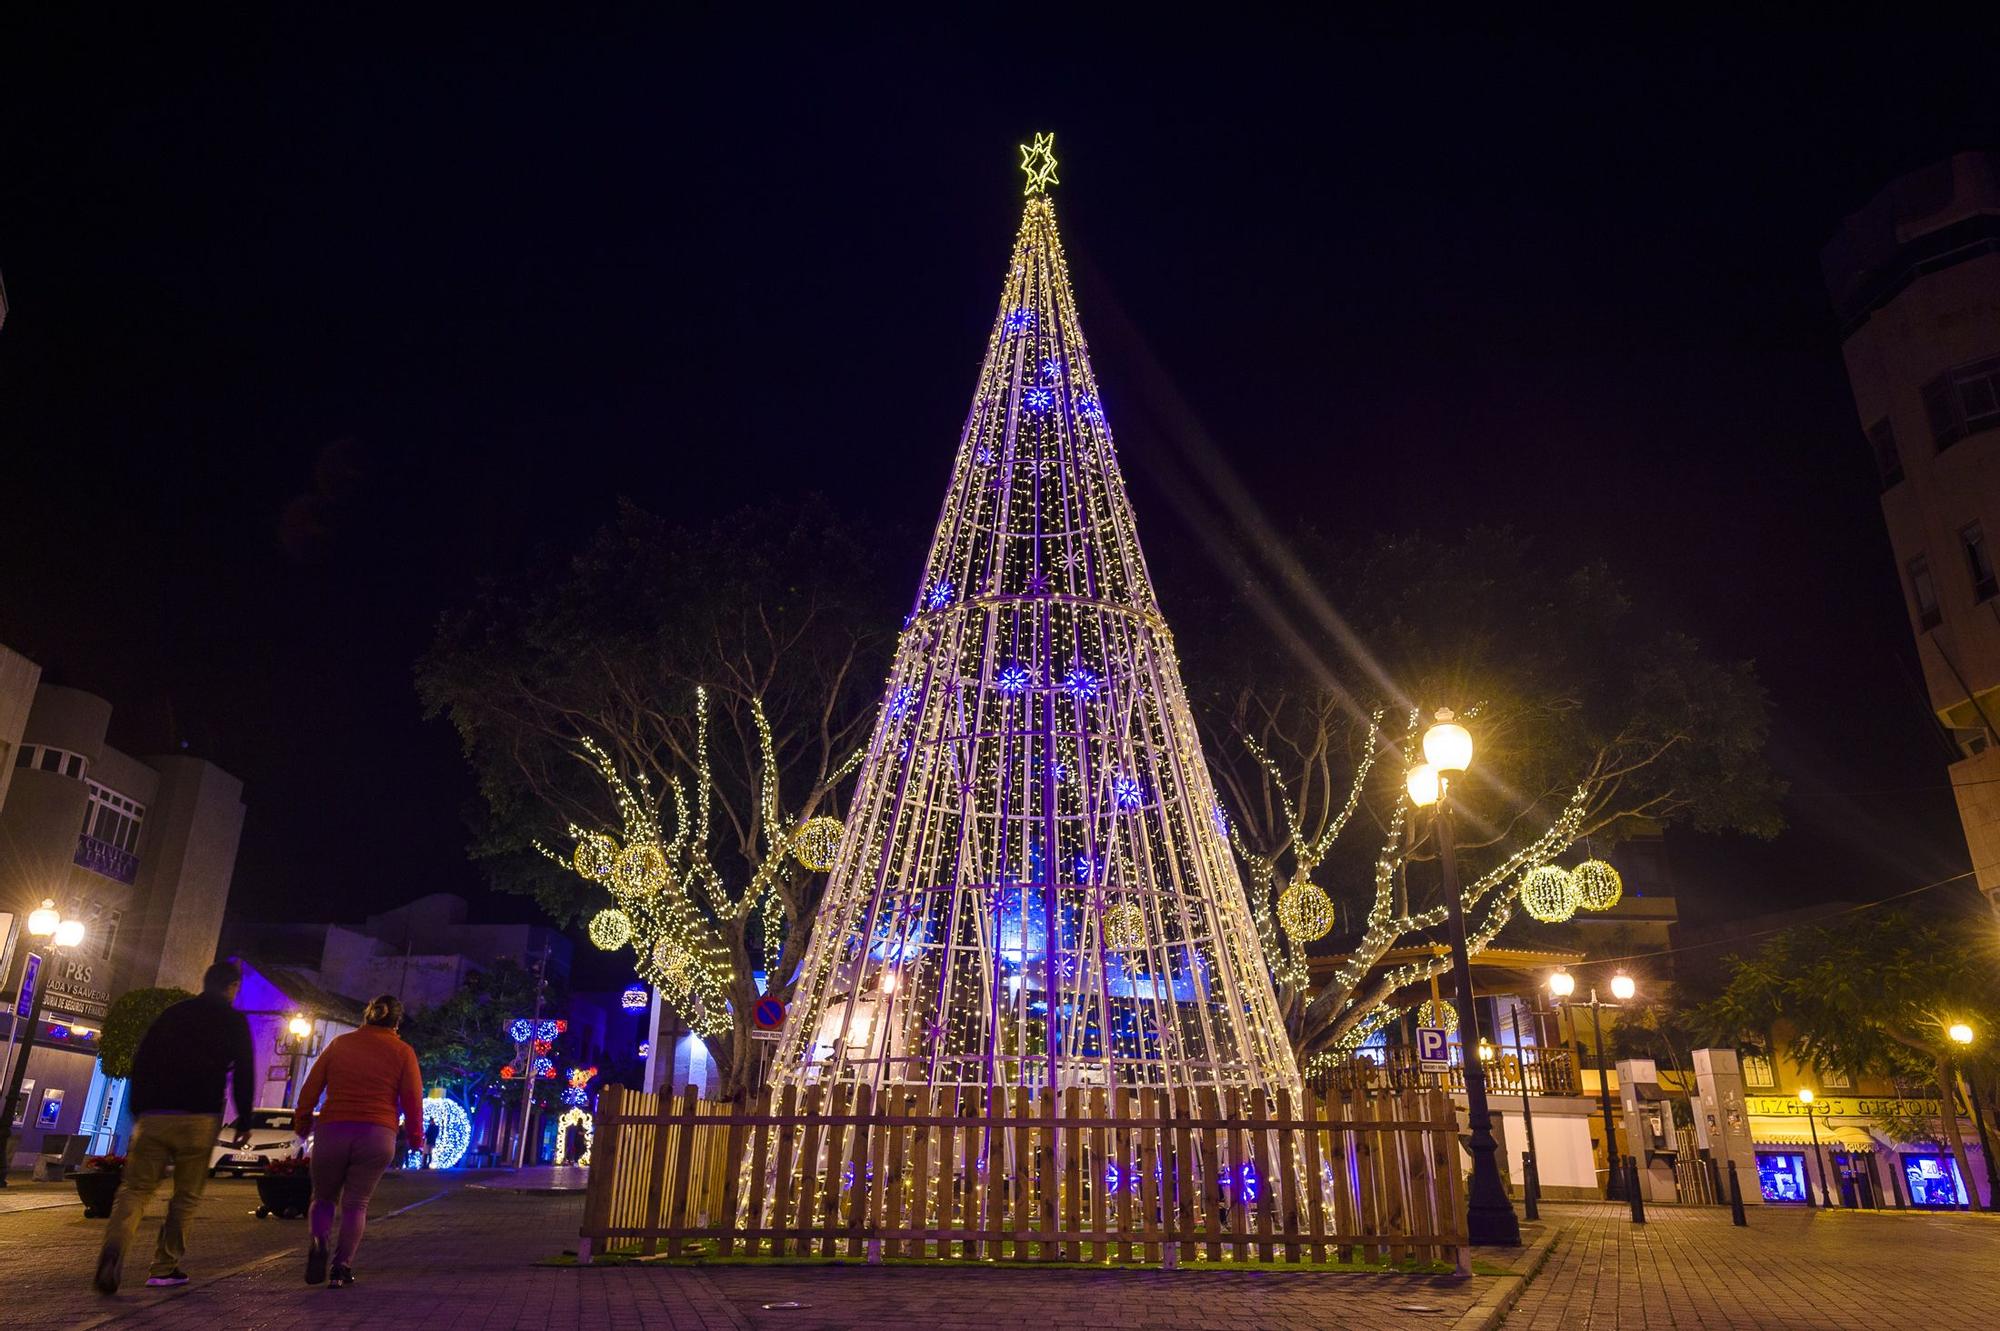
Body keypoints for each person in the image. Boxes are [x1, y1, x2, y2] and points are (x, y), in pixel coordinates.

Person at [94, 961, 255, 1295]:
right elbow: (244, 1072)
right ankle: (164, 1267)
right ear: (232, 987)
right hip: (200, 1117)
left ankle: (114, 1250)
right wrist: (245, 1119)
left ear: (205, 982)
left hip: (155, 1114)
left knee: (135, 1190)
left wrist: (138, 1108)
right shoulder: (233, 1020)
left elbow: (143, 1059)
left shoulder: (172, 1014)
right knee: (186, 1195)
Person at [293, 993, 425, 1288]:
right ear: (397, 1022)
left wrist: (302, 1121)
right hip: (377, 1134)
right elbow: (413, 1100)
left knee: (324, 1198)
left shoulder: (340, 1044)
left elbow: (311, 1087)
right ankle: (341, 1268)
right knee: (356, 1204)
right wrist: (416, 1138)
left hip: (333, 1128)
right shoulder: (403, 1052)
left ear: (367, 1015)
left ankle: (318, 1240)